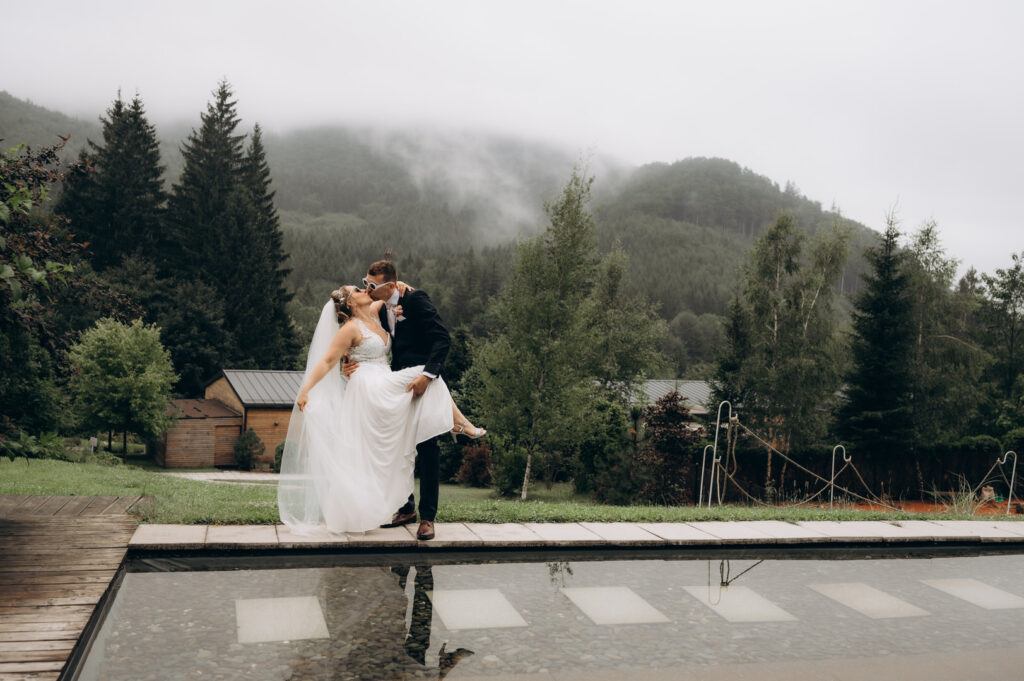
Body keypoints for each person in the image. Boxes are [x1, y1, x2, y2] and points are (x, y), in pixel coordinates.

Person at [276, 283, 482, 536]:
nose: (365, 290)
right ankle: (459, 424)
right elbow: (329, 358)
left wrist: (404, 285)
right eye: (358, 290)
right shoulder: (350, 328)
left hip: (385, 379)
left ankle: (457, 426)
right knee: (427, 373)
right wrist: (306, 389)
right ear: (350, 303)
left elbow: (390, 289)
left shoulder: (375, 310)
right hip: (369, 386)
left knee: (427, 382)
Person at [344, 260, 484, 540]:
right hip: (394, 384)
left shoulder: (416, 300)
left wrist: (428, 375)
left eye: (372, 285)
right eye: (365, 283)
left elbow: (442, 339)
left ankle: (427, 518)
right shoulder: (379, 308)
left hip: (423, 383)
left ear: (391, 286)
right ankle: (405, 507)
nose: (367, 288)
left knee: (427, 448)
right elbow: (357, 337)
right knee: (398, 448)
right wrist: (347, 364)